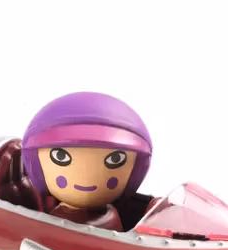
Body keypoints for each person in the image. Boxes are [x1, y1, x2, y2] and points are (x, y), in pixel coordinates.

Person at [21, 91, 152, 230]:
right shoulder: (56, 218)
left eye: (115, 159)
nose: (87, 175)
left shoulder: (111, 216)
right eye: (60, 156)